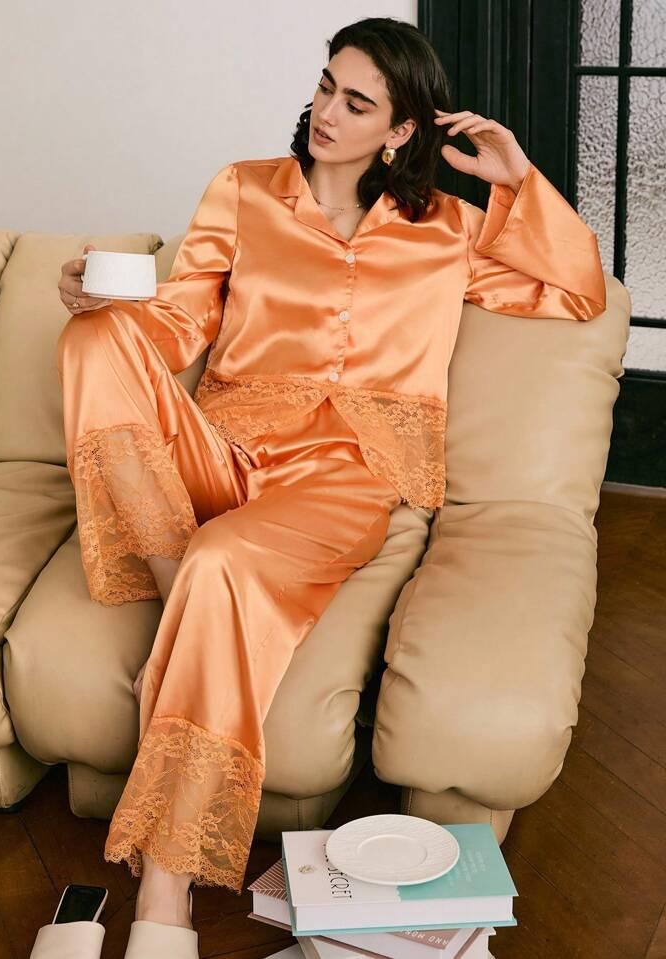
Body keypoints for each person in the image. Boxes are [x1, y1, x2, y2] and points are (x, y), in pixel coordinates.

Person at [55, 15, 606, 956]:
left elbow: (575, 289)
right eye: (325, 87)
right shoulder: (244, 190)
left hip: (343, 475)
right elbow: (177, 323)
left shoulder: (447, 228)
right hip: (223, 450)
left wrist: (516, 178)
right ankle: (176, 585)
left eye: (357, 102)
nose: (328, 113)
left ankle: (164, 899)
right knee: (91, 339)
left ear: (401, 129)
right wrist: (104, 305)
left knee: (224, 559)